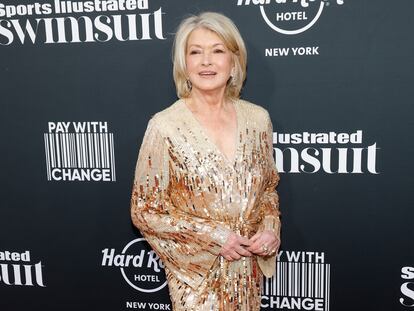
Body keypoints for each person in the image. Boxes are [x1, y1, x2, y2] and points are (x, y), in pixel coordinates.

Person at [130, 12, 281, 311]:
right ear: (184, 65)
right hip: (197, 282)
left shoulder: (257, 119)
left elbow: (267, 191)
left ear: (234, 62)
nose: (206, 62)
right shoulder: (165, 126)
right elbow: (144, 210)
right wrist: (215, 238)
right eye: (195, 52)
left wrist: (270, 228)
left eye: (217, 50)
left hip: (247, 274)